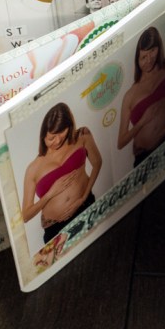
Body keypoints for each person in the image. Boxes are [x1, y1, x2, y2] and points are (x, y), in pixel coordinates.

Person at [21, 103, 102, 244]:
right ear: (43, 137)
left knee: (98, 245)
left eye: (62, 133)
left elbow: (97, 163)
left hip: (86, 205)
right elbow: (25, 216)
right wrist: (50, 194)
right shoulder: (33, 168)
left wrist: (83, 198)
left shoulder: (82, 136)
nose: (58, 140)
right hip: (56, 228)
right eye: (51, 138)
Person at [117, 26, 165, 167]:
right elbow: (121, 142)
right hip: (145, 155)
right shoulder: (130, 95)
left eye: (152, 52)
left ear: (159, 48)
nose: (148, 60)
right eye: (143, 57)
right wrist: (142, 122)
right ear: (137, 59)